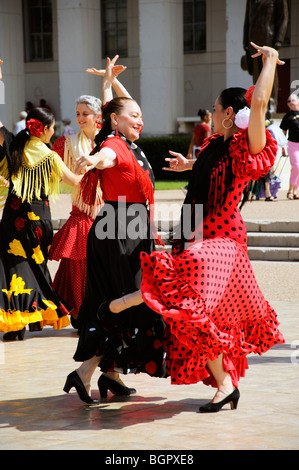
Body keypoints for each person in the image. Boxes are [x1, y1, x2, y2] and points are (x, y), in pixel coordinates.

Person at [101, 43, 285, 413]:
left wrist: (268, 63)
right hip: (193, 229)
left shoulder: (246, 146)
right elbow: (207, 172)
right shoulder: (215, 144)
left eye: (216, 110)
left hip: (221, 238)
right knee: (192, 318)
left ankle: (134, 299)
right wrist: (190, 165)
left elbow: (261, 104)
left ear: (230, 114)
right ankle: (225, 384)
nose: (211, 114)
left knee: (188, 304)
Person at [63, 58, 165, 404]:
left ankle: (106, 375)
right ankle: (88, 372)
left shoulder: (129, 142)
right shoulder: (115, 145)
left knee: (127, 303)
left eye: (140, 114)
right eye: (133, 116)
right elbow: (105, 155)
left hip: (127, 229)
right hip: (120, 231)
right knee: (129, 302)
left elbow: (120, 108)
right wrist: (92, 161)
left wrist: (110, 83)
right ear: (115, 121)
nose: (140, 119)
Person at [0, 59, 86, 340]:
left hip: (13, 219)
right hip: (38, 221)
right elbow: (73, 182)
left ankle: (18, 320)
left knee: (14, 266)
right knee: (36, 266)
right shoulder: (49, 156)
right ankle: (35, 316)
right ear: (46, 129)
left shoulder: (14, 147)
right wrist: (86, 167)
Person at [49, 56, 132, 327]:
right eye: (78, 113)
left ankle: (98, 314)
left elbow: (116, 108)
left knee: (102, 270)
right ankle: (78, 314)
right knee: (76, 268)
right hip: (81, 215)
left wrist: (108, 81)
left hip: (104, 214)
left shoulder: (108, 141)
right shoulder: (66, 143)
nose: (81, 117)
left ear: (98, 118)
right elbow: (46, 162)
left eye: (86, 113)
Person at [242, 0, 288, 112]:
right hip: (253, 41)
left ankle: (271, 104)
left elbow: (283, 18)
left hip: (269, 39)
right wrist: (245, 42)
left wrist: (278, 40)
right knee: (256, 74)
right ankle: (259, 103)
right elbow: (247, 20)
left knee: (270, 72)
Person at [280, 94, 299, 199]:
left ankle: (295, 190)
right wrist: (283, 147)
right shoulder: (288, 116)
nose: (290, 102)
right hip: (292, 144)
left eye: (293, 100)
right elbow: (283, 132)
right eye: (288, 101)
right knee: (296, 167)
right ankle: (290, 190)